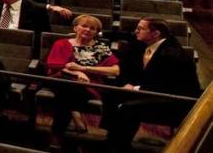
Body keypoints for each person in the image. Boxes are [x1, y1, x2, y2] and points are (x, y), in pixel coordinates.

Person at [107, 18, 201, 148]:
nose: (136, 31)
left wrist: (134, 88)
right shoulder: (145, 43)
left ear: (155, 34)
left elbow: (167, 86)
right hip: (151, 92)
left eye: (140, 28)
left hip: (174, 100)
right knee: (112, 94)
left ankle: (120, 145)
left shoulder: (173, 55)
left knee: (128, 109)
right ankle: (111, 139)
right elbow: (127, 36)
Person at [42, 14, 119, 137]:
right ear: (75, 28)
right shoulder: (61, 43)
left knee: (67, 95)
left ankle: (57, 133)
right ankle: (73, 116)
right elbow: (54, 64)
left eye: (92, 28)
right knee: (66, 85)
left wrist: (85, 68)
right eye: (84, 26)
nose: (87, 30)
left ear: (97, 32)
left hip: (88, 84)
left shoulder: (101, 48)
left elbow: (115, 70)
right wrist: (78, 72)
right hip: (60, 78)